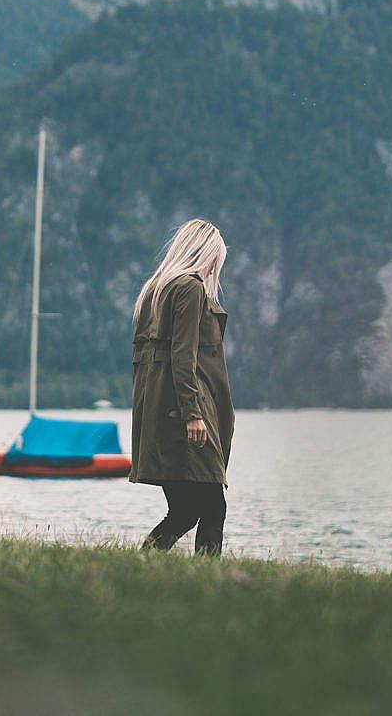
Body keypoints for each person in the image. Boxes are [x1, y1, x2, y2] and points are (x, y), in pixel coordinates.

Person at [129, 218, 234, 555]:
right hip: (187, 413)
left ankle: (143, 562)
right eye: (216, 258)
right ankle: (209, 580)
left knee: (186, 510)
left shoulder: (154, 291)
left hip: (158, 413)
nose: (216, 267)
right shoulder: (188, 288)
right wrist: (193, 414)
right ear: (205, 254)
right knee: (213, 505)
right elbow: (182, 356)